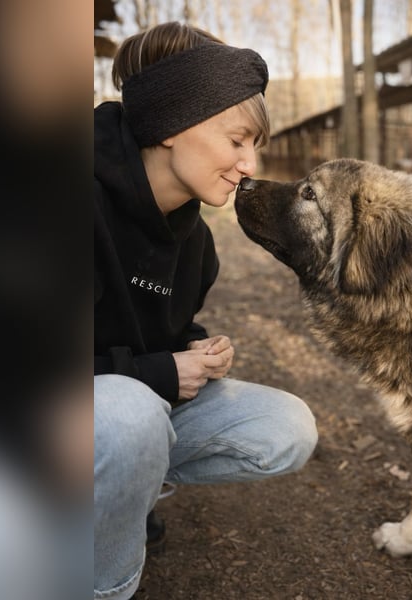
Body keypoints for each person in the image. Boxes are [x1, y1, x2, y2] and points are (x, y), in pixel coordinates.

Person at [93, 22, 318, 600]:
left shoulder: (197, 243)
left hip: (127, 404)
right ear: (172, 124)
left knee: (286, 427)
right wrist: (161, 374)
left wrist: (195, 348)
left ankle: (125, 486)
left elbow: (163, 326)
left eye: (253, 146)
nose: (249, 165)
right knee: (128, 420)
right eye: (237, 140)